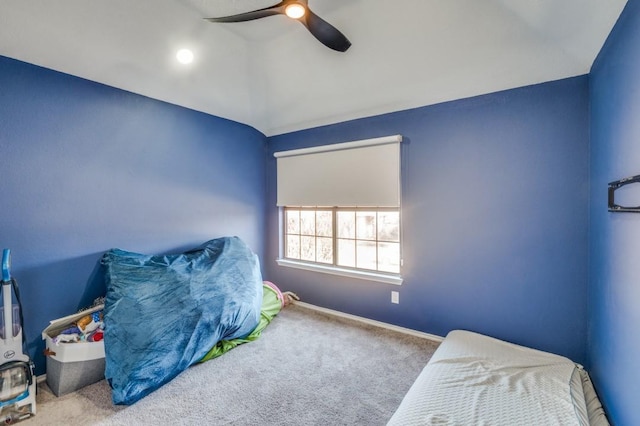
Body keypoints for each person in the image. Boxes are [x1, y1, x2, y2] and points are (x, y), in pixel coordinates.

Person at [199, 281, 298, 362]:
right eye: (287, 301)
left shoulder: (275, 304)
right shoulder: (270, 294)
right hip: (253, 307)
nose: (287, 302)